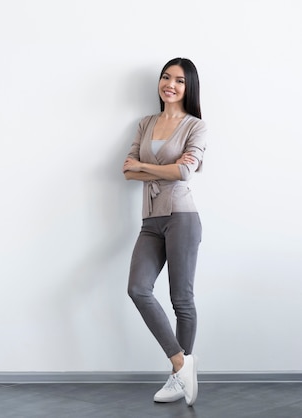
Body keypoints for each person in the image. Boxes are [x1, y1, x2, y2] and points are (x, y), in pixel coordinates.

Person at [123, 57, 206, 407]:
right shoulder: (145, 123)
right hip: (150, 220)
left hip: (182, 217)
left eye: (179, 81)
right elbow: (126, 171)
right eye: (166, 77)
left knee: (181, 300)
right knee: (138, 289)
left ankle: (177, 378)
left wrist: (144, 166)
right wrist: (162, 169)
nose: (170, 84)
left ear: (189, 88)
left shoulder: (195, 126)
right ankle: (181, 363)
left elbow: (186, 173)